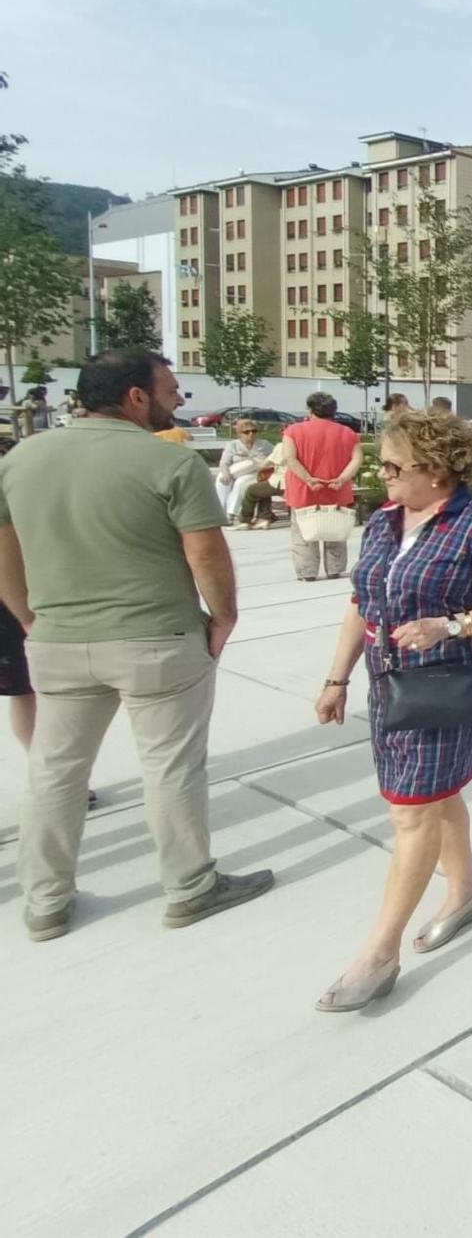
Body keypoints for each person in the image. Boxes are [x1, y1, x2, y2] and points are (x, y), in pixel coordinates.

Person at [0, 349, 273, 941]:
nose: (179, 399)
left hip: (57, 640)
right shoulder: (168, 463)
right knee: (171, 767)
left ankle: (45, 902)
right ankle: (190, 887)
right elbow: (205, 552)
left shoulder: (21, 458)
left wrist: (28, 617)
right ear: (135, 396)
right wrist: (223, 617)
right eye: (171, 389)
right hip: (157, 640)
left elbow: (6, 550)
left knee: (54, 773)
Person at [311, 406, 472, 1011]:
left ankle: (378, 954)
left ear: (436, 471)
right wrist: (337, 678)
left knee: (412, 812)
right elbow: (362, 602)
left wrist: (453, 624)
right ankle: (464, 891)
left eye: (392, 466)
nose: (379, 474)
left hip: (449, 682)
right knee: (436, 796)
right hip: (390, 682)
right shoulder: (384, 521)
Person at [281, 392, 362, 583]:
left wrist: (308, 479)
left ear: (310, 410)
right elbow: (357, 460)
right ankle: (335, 568)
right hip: (336, 488)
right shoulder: (348, 433)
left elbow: (290, 458)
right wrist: (342, 478)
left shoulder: (293, 431)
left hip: (305, 489)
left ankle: (307, 571)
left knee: (303, 533)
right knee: (335, 530)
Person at [214, 418, 273, 522]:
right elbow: (224, 462)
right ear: (240, 434)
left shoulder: (264, 444)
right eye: (247, 432)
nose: (251, 434)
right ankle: (221, 512)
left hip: (256, 472)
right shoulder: (233, 445)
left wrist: (252, 456)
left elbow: (275, 458)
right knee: (222, 480)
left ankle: (231, 513)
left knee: (241, 481)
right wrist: (226, 473)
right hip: (236, 472)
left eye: (254, 431)